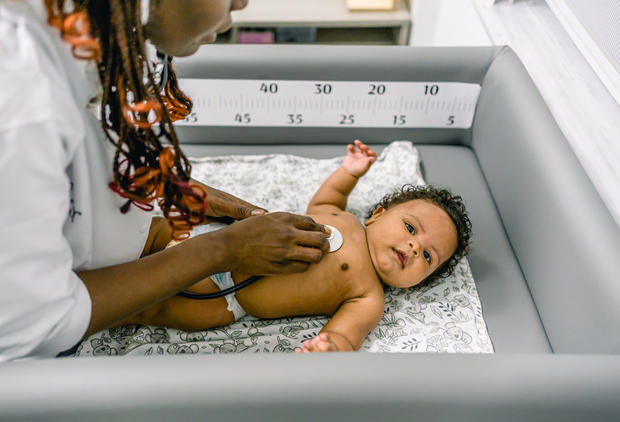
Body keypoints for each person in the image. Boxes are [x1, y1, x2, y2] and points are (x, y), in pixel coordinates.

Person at [0, 0, 331, 362]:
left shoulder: (97, 34)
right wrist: (221, 250)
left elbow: (66, 164)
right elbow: (37, 324)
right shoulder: (23, 100)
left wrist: (161, 184)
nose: (242, 3)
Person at [124, 140, 473, 352]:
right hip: (214, 230)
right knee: (149, 230)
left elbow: (347, 335)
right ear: (376, 215)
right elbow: (329, 195)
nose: (413, 247)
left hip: (225, 296)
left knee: (150, 306)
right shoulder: (341, 216)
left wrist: (330, 346)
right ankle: (110, 250)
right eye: (411, 228)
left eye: (427, 256)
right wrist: (351, 171)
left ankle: (111, 305)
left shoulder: (368, 296)